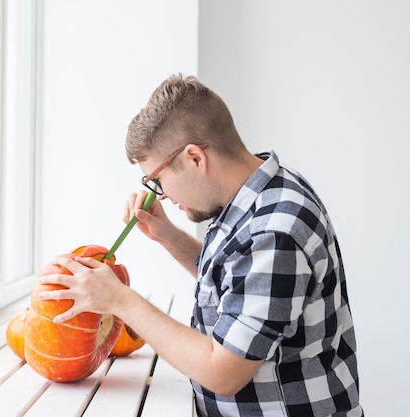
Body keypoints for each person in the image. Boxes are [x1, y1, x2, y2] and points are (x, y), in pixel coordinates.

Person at [38, 74, 363, 417]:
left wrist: (120, 300)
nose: (160, 194)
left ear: (195, 158)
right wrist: (168, 235)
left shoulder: (275, 231)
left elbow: (222, 372)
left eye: (158, 181)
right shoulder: (265, 193)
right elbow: (241, 283)